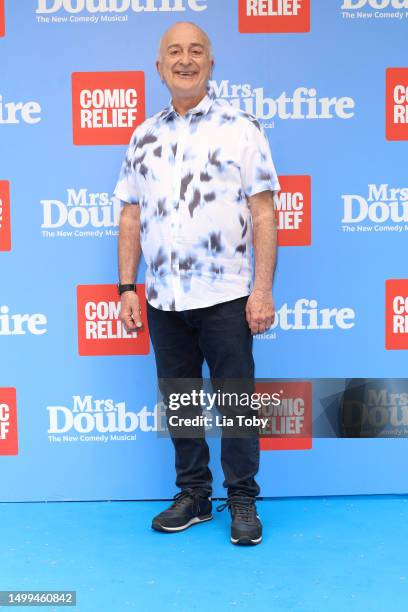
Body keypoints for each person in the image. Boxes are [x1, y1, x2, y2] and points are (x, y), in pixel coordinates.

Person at [113, 21, 280, 546]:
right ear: (159, 68)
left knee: (236, 401)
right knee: (180, 400)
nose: (186, 60)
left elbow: (264, 213)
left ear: (212, 63)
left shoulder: (240, 128)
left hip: (228, 296)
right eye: (174, 53)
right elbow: (131, 217)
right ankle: (193, 496)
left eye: (197, 51)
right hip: (164, 298)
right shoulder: (144, 135)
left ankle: (243, 497)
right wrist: (125, 288)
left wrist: (262, 289)